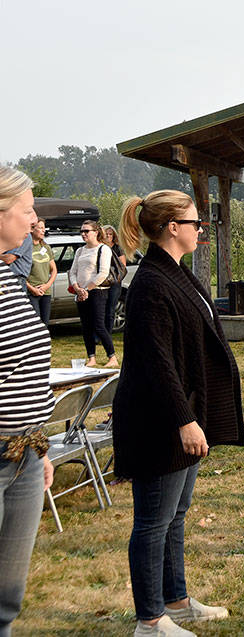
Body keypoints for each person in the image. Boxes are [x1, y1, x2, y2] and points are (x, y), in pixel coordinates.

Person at [113, 189, 244, 636]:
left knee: (175, 514)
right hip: (159, 421)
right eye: (194, 222)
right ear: (173, 227)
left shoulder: (177, 274)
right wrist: (184, 421)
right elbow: (156, 361)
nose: (200, 228)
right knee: (152, 521)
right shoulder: (151, 282)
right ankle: (149, 621)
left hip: (184, 412)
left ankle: (176, 600)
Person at [0, 167, 54, 637]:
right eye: (27, 209)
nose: (34, 218)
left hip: (25, 453)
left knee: (8, 595)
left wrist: (41, 448)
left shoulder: (7, 275)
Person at [69, 220, 117, 368]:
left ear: (96, 232)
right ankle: (91, 357)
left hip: (97, 292)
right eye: (81, 231)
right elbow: (73, 272)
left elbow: (103, 273)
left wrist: (86, 289)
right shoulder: (80, 251)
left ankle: (112, 357)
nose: (83, 234)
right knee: (86, 326)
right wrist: (77, 288)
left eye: (86, 231)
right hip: (81, 292)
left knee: (99, 325)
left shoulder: (104, 249)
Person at [24, 219, 55, 325]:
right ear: (32, 229)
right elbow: (19, 273)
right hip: (31, 292)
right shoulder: (25, 247)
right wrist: (32, 289)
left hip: (45, 292)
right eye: (41, 228)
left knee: (45, 323)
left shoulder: (46, 247)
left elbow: (54, 269)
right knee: (35, 323)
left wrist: (47, 285)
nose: (43, 231)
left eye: (44, 228)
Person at [102, 224, 126, 334]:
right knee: (101, 308)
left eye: (110, 234)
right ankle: (99, 334)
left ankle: (108, 333)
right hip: (101, 282)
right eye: (106, 234)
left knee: (111, 308)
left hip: (114, 282)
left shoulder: (117, 248)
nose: (108, 236)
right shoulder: (100, 247)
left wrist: (116, 279)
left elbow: (123, 267)